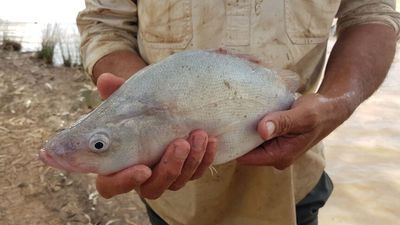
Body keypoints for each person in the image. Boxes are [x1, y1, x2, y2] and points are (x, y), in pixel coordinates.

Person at [77, 1, 399, 224]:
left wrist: (335, 104)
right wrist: (147, 115)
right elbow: (105, 25)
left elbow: (371, 13)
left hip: (293, 191)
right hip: (175, 203)